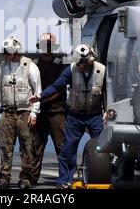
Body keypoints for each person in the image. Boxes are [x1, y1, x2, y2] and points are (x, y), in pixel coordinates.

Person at [29, 44, 105, 189]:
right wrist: (39, 96)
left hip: (94, 115)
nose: (79, 64)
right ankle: (64, 181)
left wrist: (107, 110)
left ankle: (100, 179)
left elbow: (108, 92)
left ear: (90, 59)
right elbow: (56, 86)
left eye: (82, 61)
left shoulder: (102, 71)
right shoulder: (71, 69)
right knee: (67, 150)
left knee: (101, 148)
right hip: (74, 116)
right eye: (77, 61)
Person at [0, 36, 41, 189]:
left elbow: (37, 92)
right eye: (5, 53)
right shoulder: (2, 66)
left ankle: (26, 178)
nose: (6, 55)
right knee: (5, 146)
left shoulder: (30, 66)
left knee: (27, 145)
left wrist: (34, 113)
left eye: (9, 52)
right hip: (7, 112)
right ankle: (4, 178)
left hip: (25, 112)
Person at [31, 33, 66, 186]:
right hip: (38, 111)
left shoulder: (60, 64)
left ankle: (65, 178)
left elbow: (61, 87)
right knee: (35, 146)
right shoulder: (34, 65)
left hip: (56, 111)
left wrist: (44, 99)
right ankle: (31, 178)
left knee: (62, 146)